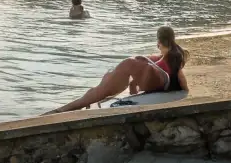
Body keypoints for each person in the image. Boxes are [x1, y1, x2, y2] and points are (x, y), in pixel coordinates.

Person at [47, 26, 188, 113]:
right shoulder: (177, 55)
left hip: (157, 80)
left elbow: (146, 76)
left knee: (102, 87)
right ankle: (89, 98)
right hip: (162, 82)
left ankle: (64, 109)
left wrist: (134, 87)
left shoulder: (165, 60)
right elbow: (181, 81)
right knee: (105, 84)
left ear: (158, 42)